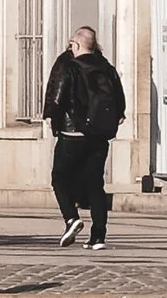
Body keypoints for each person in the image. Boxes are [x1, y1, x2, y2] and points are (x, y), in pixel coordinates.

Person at [42, 22, 127, 249]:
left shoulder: (69, 67)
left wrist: (52, 117)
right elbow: (120, 103)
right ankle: (98, 237)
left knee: (59, 178)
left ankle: (71, 218)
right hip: (99, 138)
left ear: (76, 44)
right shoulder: (108, 69)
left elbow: (57, 97)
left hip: (73, 134)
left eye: (72, 44)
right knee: (95, 186)